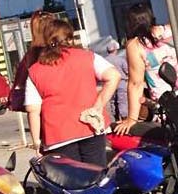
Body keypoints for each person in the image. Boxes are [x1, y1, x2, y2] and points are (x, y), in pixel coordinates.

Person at [22, 13, 122, 165]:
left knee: (71, 180)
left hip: (58, 134)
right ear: (69, 38)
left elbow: (33, 110)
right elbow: (114, 76)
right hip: (90, 126)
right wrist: (98, 106)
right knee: (96, 173)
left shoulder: (35, 70)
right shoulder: (87, 57)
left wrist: (36, 141)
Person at [113, 4, 178, 134]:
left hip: (167, 104)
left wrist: (131, 119)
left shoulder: (136, 45)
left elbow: (135, 83)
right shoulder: (170, 30)